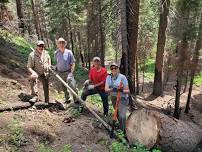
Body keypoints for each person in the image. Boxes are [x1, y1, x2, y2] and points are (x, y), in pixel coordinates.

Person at [105, 63, 130, 131]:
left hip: (122, 98)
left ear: (118, 69)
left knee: (122, 116)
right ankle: (122, 127)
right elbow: (106, 89)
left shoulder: (122, 77)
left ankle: (124, 131)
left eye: (115, 68)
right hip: (113, 97)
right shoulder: (108, 77)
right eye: (112, 68)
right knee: (117, 114)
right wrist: (113, 89)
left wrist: (121, 90)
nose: (114, 69)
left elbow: (128, 91)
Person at [54, 37, 78, 103]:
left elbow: (73, 63)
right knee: (64, 87)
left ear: (65, 44)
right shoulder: (56, 53)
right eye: (60, 43)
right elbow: (57, 63)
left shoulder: (69, 52)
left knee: (72, 86)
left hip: (68, 72)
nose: (61, 44)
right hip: (60, 73)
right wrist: (55, 67)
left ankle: (76, 100)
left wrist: (71, 73)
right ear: (57, 44)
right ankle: (67, 98)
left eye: (62, 43)